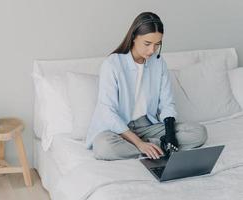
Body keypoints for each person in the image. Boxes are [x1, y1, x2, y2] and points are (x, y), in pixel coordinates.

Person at [86, 12, 208, 160]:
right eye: (147, 43)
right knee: (104, 148)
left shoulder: (159, 63)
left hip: (147, 125)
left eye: (157, 44)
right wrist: (139, 143)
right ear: (133, 38)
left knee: (199, 133)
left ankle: (158, 145)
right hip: (117, 129)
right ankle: (151, 147)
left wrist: (170, 135)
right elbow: (107, 112)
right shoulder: (112, 64)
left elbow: (167, 103)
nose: (152, 50)